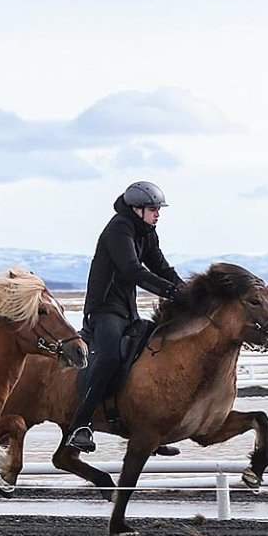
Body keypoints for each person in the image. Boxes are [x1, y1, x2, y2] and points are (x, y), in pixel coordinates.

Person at [65, 181, 186, 453]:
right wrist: (172, 293)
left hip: (128, 311)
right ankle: (81, 426)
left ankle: (143, 429)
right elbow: (133, 271)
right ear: (136, 209)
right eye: (153, 209)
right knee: (109, 357)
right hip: (104, 310)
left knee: (148, 354)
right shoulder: (119, 228)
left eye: (158, 209)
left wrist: (186, 290)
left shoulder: (147, 232)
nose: (158, 214)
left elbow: (161, 266)